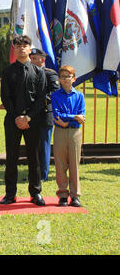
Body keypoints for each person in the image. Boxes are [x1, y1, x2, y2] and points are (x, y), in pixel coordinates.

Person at [0, 35, 47, 206]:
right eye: (18, 45)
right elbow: (5, 97)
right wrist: (17, 117)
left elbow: (41, 98)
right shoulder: (8, 71)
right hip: (12, 120)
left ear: (30, 48)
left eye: (25, 45)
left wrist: (28, 117)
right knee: (11, 158)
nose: (21, 48)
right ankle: (10, 194)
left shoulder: (39, 72)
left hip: (32, 121)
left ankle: (35, 193)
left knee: (34, 157)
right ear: (14, 48)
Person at [51, 65, 85, 207]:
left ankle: (75, 195)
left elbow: (81, 115)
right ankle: (63, 194)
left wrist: (70, 118)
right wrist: (74, 116)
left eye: (68, 76)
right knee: (60, 164)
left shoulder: (79, 96)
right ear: (59, 79)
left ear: (74, 79)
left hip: (75, 133)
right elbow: (58, 115)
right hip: (60, 132)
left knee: (74, 164)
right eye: (63, 76)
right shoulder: (55, 95)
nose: (65, 79)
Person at [29, 48, 60, 181]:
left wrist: (39, 101)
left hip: (45, 114)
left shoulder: (50, 74)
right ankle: (33, 174)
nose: (33, 61)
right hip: (31, 115)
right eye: (32, 58)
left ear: (43, 59)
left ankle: (42, 175)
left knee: (44, 145)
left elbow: (55, 93)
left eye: (36, 58)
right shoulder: (28, 73)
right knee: (33, 146)